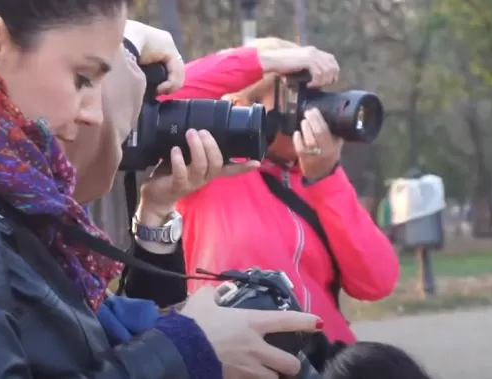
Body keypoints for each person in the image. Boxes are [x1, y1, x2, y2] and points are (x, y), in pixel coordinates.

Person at [0, 2, 321, 379]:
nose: (93, 113)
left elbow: (70, 344)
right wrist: (188, 350)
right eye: (83, 79)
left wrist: (186, 323)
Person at [121, 37, 399, 344]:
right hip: (239, 362)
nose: (309, 108)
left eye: (312, 93)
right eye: (293, 92)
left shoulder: (320, 180)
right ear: (243, 104)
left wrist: (326, 179)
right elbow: (148, 107)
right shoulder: (208, 166)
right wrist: (261, 60)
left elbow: (378, 282)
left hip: (321, 363)